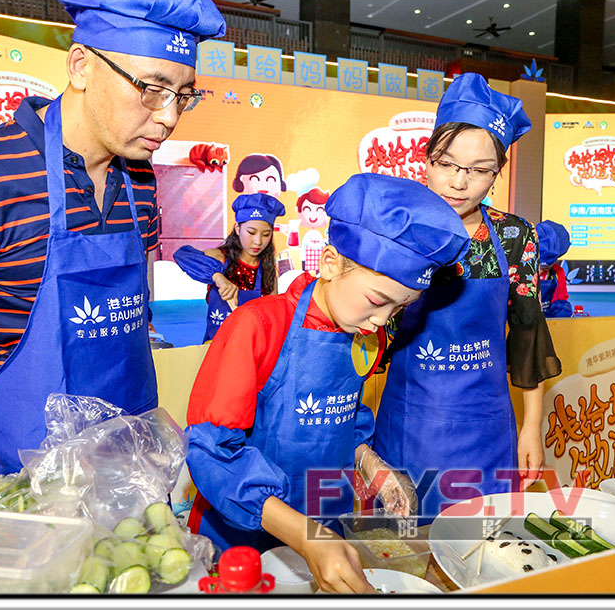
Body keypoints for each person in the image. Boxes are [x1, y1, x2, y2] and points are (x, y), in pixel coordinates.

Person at [0, 0, 227, 475]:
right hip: (32, 475)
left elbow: (131, 318)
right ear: (81, 65)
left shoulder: (141, 181)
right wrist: (8, 416)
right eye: (152, 89)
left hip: (132, 467)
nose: (169, 117)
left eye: (184, 95)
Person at [185, 173, 471, 593]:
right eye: (378, 300)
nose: (381, 321)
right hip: (241, 541)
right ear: (332, 262)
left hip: (325, 525)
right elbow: (212, 453)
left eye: (399, 308)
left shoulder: (364, 335)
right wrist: (303, 537)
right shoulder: (258, 326)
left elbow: (339, 420)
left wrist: (367, 461)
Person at [373, 73, 562, 522]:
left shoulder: (515, 236)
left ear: (497, 173)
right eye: (446, 164)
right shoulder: (398, 228)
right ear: (427, 159)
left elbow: (528, 332)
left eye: (479, 171)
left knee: (482, 550)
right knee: (403, 554)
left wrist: (531, 426)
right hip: (408, 422)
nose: (459, 183)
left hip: (486, 429)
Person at [173, 193, 284, 342]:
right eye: (251, 232)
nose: (257, 241)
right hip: (216, 347)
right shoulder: (220, 258)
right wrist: (217, 276)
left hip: (253, 349)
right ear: (238, 228)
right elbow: (182, 255)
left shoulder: (267, 270)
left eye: (266, 234)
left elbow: (274, 316)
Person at [536, 220, 573, 318]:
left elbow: (560, 301)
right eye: (539, 266)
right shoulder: (519, 271)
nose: (541, 271)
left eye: (546, 268)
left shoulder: (558, 272)